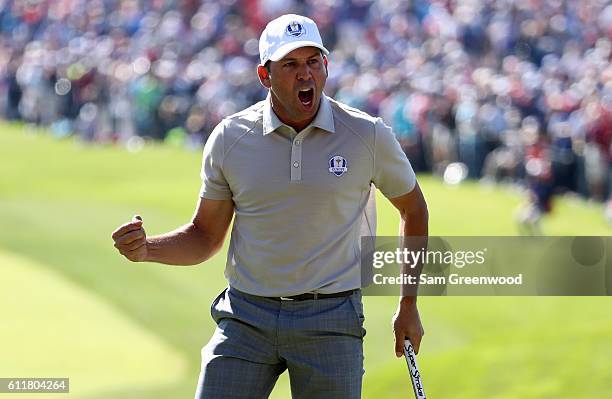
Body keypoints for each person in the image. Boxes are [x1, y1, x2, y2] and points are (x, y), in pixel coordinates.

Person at [111, 14, 428, 399]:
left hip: (330, 320)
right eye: (291, 64)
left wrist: (408, 303)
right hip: (246, 318)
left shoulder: (367, 135)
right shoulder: (231, 138)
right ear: (265, 75)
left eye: (314, 61)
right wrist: (147, 249)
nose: (306, 74)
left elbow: (413, 208)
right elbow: (205, 236)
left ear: (326, 66)